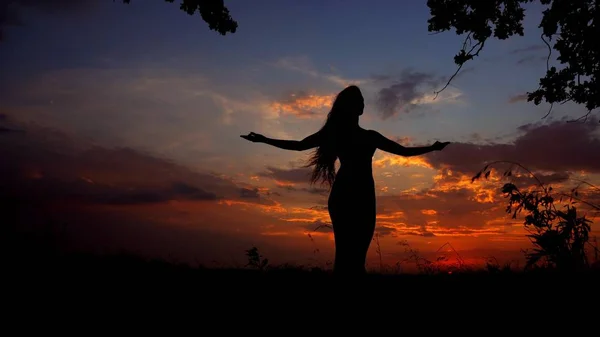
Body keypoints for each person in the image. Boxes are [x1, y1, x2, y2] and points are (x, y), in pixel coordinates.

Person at [241, 85, 450, 276]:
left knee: (354, 256)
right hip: (350, 196)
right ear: (353, 108)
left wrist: (432, 147)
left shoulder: (365, 135)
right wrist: (264, 139)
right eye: (359, 103)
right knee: (348, 256)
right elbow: (298, 145)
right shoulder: (357, 135)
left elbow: (403, 152)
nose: (362, 106)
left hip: (361, 196)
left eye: (363, 103)